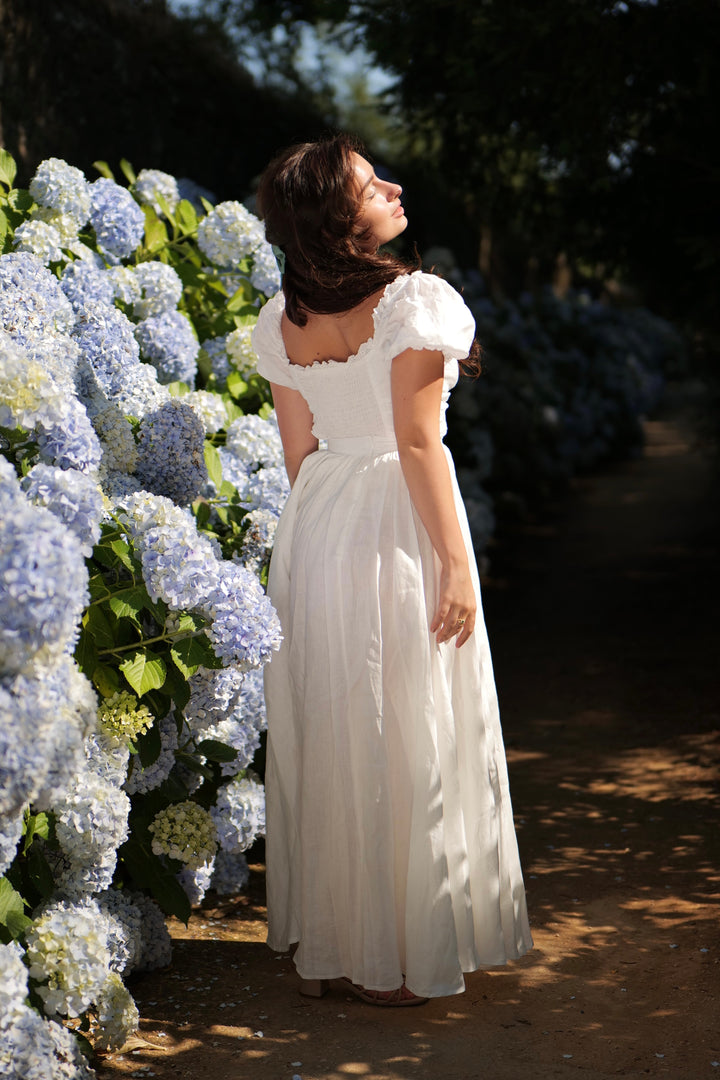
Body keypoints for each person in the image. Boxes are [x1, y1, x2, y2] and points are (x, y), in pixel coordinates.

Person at [251, 133, 532, 1007]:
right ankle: (401, 956)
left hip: (319, 521)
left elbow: (298, 452)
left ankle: (336, 949)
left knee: (336, 720)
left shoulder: (279, 318)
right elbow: (417, 443)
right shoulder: (415, 302)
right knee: (406, 720)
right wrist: (455, 565)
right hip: (396, 521)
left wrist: (325, 540)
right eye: (376, 185)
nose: (397, 188)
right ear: (342, 218)